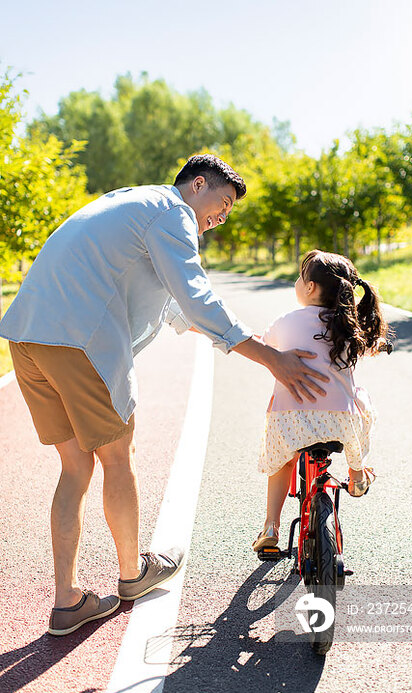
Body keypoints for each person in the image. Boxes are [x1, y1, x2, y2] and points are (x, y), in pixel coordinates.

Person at [0, 154, 329, 635]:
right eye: (221, 204)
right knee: (117, 458)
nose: (220, 219)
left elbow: (178, 308)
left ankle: (68, 600)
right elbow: (197, 297)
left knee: (75, 466)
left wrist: (244, 340)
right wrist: (269, 357)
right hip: (80, 340)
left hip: (27, 337)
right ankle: (133, 574)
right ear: (197, 184)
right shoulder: (173, 214)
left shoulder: (135, 204)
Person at [252, 249, 388, 552]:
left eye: (300, 278)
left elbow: (263, 346)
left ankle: (270, 526)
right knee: (361, 400)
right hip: (340, 423)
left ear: (310, 287)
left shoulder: (285, 321)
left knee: (283, 461)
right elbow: (367, 345)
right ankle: (356, 475)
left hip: (290, 422)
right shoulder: (349, 326)